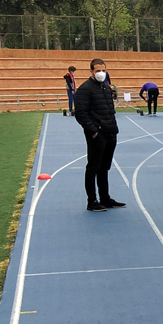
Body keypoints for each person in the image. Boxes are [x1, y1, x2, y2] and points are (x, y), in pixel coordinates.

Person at [73, 58, 125, 212]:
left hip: (110, 133)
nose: (101, 73)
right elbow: (80, 113)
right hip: (97, 135)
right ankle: (92, 201)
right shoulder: (85, 89)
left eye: (103, 70)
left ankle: (105, 198)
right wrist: (93, 130)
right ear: (91, 71)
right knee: (93, 167)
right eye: (97, 70)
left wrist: (114, 128)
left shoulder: (106, 88)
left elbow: (110, 111)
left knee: (104, 168)